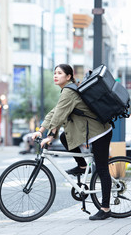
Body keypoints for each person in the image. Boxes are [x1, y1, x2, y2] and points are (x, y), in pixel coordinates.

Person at [32, 64, 113, 221]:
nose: (55, 75)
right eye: (54, 73)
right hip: (90, 132)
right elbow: (55, 112)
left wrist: (50, 136)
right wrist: (40, 130)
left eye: (59, 73)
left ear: (68, 76)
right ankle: (82, 165)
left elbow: (59, 116)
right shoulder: (67, 91)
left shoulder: (69, 91)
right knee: (64, 138)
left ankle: (106, 208)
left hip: (100, 133)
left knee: (102, 169)